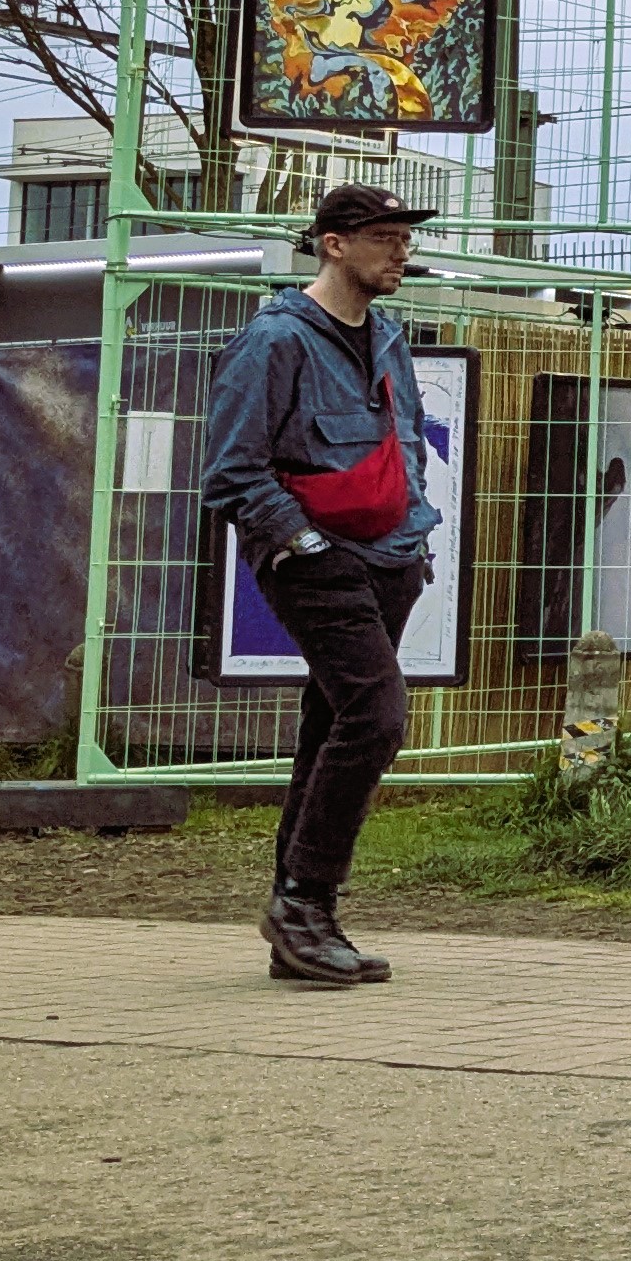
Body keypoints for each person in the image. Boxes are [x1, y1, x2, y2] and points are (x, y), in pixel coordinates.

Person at [199, 181, 449, 989]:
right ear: (333, 244)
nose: (401, 250)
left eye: (405, 237)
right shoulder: (275, 341)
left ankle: (300, 922)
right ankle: (304, 900)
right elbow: (233, 471)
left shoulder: (387, 335)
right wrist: (305, 545)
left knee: (333, 721)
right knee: (377, 715)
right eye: (384, 236)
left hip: (389, 558)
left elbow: (405, 439)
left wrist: (413, 535)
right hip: (318, 557)